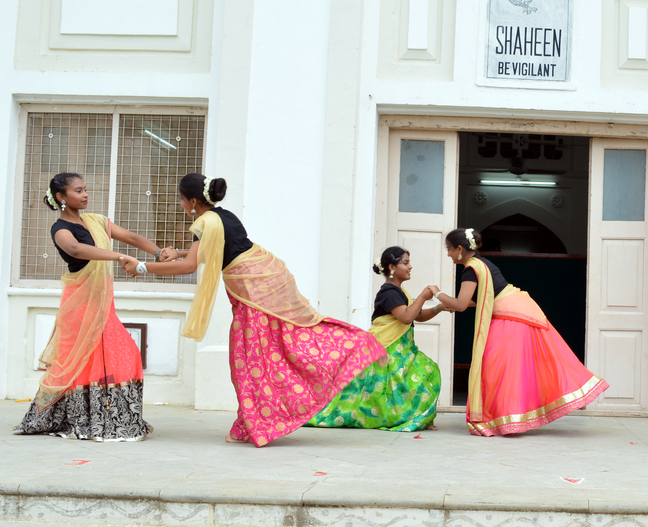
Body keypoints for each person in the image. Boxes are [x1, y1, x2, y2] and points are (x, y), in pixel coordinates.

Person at [120, 173, 387, 447]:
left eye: (180, 199)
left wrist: (142, 267)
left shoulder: (204, 222)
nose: (180, 204)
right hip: (265, 278)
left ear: (192, 201)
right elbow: (213, 251)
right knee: (276, 347)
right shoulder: (225, 216)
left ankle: (260, 422)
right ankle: (255, 421)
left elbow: (190, 266)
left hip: (253, 293)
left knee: (251, 359)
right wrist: (177, 252)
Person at [14, 173, 175, 441]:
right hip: (79, 304)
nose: (85, 194)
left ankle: (107, 419)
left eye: (85, 189)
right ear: (61, 197)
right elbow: (76, 250)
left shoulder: (96, 221)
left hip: (102, 305)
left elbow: (131, 237)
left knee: (124, 355)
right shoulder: (60, 229)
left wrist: (158, 253)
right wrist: (119, 256)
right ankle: (74, 419)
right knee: (77, 361)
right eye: (78, 191)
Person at [432, 228, 608, 436]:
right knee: (508, 366)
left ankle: (501, 420)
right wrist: (448, 303)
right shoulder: (482, 264)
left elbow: (461, 304)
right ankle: (506, 420)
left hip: (512, 316)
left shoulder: (471, 269)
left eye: (449, 249)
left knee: (498, 367)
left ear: (460, 249)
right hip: (516, 311)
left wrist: (436, 293)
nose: (448, 254)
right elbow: (483, 298)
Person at [306, 246, 441, 432]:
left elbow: (417, 315)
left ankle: (418, 417)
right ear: (392, 267)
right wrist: (423, 297)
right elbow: (406, 317)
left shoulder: (400, 292)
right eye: (406, 263)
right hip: (388, 348)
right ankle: (394, 418)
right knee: (393, 385)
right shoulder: (389, 293)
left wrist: (438, 308)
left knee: (426, 373)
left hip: (403, 348)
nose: (410, 267)